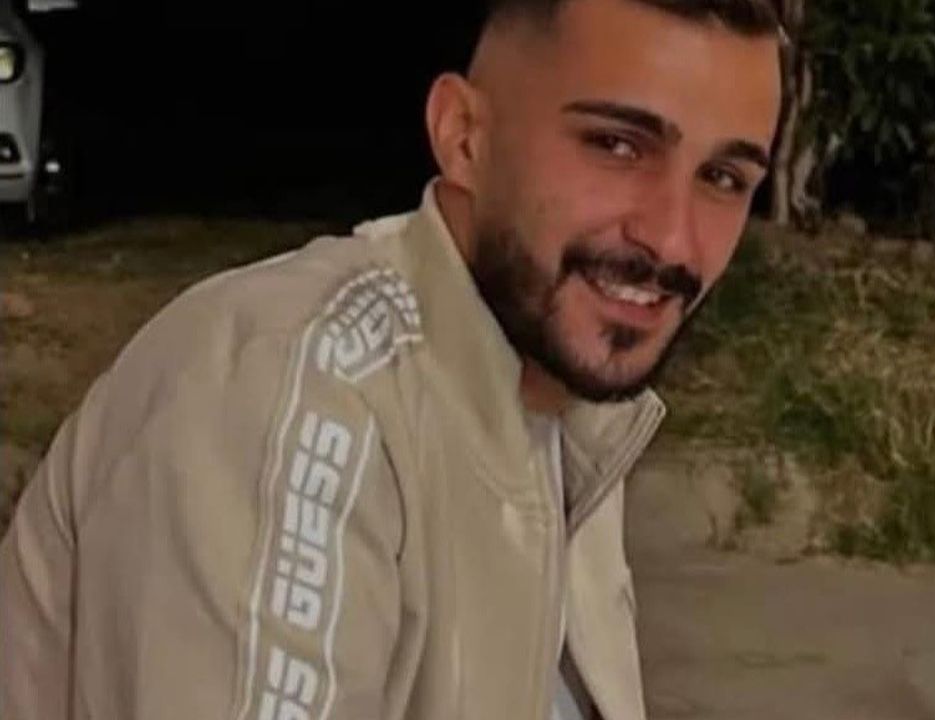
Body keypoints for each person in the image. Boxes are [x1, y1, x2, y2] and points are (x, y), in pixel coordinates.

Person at [0, 0, 782, 717]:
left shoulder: (562, 402)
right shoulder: (294, 399)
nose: (672, 238)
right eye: (616, 145)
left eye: (723, 178)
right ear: (465, 137)